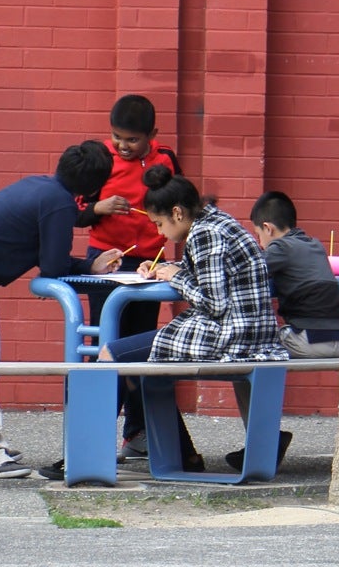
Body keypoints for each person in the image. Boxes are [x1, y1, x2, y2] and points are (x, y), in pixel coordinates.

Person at [0, 142, 123, 480]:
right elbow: (54, 266)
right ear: (94, 186)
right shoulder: (59, 203)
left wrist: (88, 264)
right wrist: (92, 265)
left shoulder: (43, 187)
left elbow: (51, 259)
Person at [100, 166, 289, 471]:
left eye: (159, 224)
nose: (160, 233)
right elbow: (209, 272)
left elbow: (214, 301)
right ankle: (183, 454)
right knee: (132, 361)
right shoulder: (214, 220)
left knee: (114, 354)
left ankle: (88, 453)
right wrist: (165, 267)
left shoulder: (205, 234)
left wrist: (176, 278)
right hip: (247, 333)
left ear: (177, 213)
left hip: (230, 335)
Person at [78, 94, 180, 460]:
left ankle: (136, 432)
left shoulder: (164, 159)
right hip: (106, 261)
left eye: (132, 140)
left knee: (142, 346)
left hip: (148, 263)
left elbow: (176, 202)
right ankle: (90, 433)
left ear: (153, 135)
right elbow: (76, 210)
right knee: (109, 339)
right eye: (117, 136)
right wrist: (98, 208)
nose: (122, 145)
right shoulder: (100, 159)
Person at [249, 190, 339, 358]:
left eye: (258, 236)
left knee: (254, 344)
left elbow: (250, 271)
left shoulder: (280, 248)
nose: (260, 243)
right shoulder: (315, 245)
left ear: (268, 228)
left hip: (309, 342)